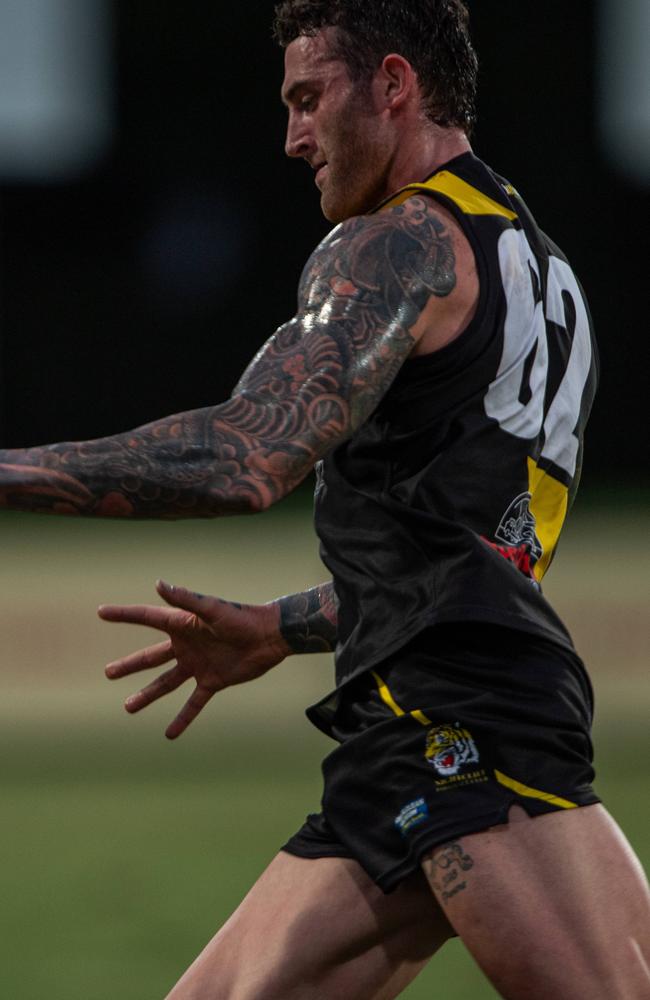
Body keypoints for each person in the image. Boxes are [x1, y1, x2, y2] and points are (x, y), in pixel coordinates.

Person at [1, 1, 648, 996]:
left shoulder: (400, 241)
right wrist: (281, 625)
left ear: (392, 85)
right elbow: (475, 560)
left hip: (464, 727)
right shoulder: (531, 259)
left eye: (308, 100)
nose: (292, 136)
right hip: (419, 718)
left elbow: (244, 458)